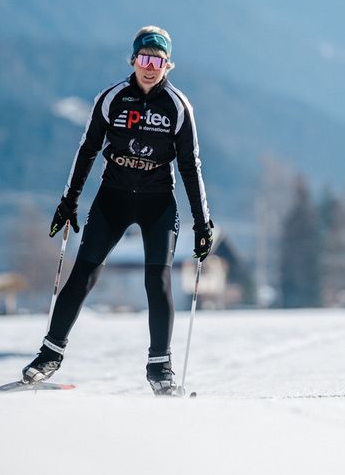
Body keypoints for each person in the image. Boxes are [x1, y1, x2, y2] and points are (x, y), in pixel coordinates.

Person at [22, 26, 214, 395]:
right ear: (133, 60)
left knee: (157, 282)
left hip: (158, 201)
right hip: (112, 196)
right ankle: (49, 355)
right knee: (84, 273)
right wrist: (69, 200)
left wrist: (202, 223)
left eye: (157, 61)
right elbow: (87, 151)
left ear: (168, 66)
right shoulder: (111, 99)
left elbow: (191, 167)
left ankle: (161, 368)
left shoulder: (177, 107)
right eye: (144, 58)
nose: (149, 67)